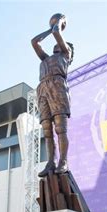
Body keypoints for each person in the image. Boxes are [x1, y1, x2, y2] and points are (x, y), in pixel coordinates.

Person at [31, 14, 74, 176]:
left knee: (60, 128)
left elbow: (57, 32)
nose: (57, 45)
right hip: (43, 89)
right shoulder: (47, 59)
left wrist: (60, 22)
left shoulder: (65, 54)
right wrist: (50, 29)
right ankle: (51, 162)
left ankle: (63, 161)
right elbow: (34, 42)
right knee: (47, 129)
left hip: (57, 87)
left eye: (61, 44)